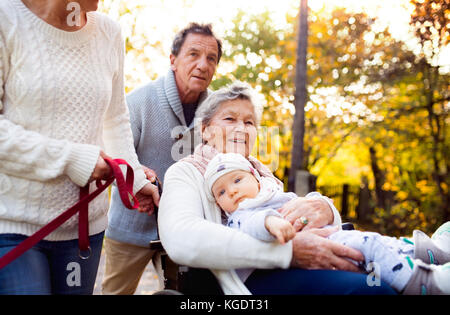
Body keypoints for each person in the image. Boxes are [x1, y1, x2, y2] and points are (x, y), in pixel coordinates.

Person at [158, 81, 398, 295]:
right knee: (371, 291)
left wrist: (325, 208)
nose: (241, 128)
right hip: (243, 281)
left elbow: (289, 210)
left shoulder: (262, 175)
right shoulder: (186, 172)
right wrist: (286, 252)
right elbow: (181, 237)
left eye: (249, 122)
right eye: (230, 119)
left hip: (296, 266)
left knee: (388, 276)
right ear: (206, 130)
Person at [0, 0, 159, 294]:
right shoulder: (6, 18)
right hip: (12, 225)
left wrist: (134, 179)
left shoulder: (109, 32)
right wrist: (73, 159)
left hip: (84, 228)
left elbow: (114, 119)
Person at [204, 151, 450, 295]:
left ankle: (427, 252)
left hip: (328, 235)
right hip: (318, 248)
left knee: (378, 243)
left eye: (237, 180)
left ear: (256, 179)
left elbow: (304, 201)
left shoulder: (271, 194)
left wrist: (317, 202)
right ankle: (422, 282)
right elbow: (251, 224)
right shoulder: (242, 215)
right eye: (221, 193)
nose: (232, 192)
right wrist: (272, 223)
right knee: (371, 246)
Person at [102, 22, 222, 295]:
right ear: (173, 60)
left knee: (186, 295)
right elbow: (112, 158)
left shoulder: (216, 111)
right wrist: (137, 178)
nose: (203, 65)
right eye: (193, 54)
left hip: (183, 228)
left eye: (211, 58)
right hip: (129, 227)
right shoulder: (137, 102)